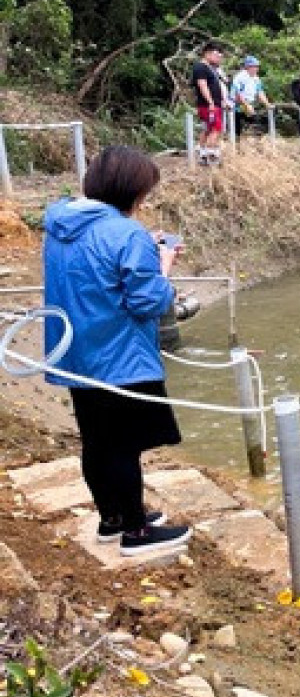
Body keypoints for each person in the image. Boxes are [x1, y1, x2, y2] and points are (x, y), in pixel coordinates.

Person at [42, 146, 193, 556]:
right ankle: (137, 533)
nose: (144, 199)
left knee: (97, 441)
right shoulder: (127, 235)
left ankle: (114, 519)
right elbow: (149, 302)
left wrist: (144, 247)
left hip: (75, 352)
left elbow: (93, 270)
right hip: (119, 357)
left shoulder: (59, 224)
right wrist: (162, 263)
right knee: (124, 446)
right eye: (144, 192)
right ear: (131, 190)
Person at [191, 41, 226, 164]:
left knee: (207, 129)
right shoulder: (200, 67)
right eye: (216, 55)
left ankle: (202, 153)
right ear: (207, 54)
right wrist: (210, 102)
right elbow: (202, 85)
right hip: (208, 105)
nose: (218, 58)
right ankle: (209, 155)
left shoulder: (211, 68)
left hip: (215, 104)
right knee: (215, 128)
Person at [231, 55, 272, 138]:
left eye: (257, 67)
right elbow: (237, 94)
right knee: (237, 130)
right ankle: (236, 146)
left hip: (249, 104)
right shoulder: (240, 77)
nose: (256, 69)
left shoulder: (256, 78)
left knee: (259, 124)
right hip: (237, 106)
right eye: (254, 67)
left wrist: (267, 104)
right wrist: (246, 105)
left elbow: (260, 92)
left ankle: (255, 143)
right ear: (248, 67)